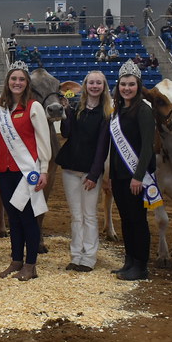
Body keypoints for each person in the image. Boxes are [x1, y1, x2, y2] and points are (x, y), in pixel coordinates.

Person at [0, 63, 51, 281]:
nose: (17, 83)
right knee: (12, 219)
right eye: (13, 79)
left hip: (26, 172)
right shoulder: (0, 111)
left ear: (27, 84)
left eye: (21, 79)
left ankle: (30, 264)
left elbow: (43, 140)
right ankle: (16, 260)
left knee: (28, 219)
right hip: (4, 171)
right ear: (7, 82)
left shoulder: (34, 107)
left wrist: (43, 169)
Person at [55, 70, 111, 272]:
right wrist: (66, 112)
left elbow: (102, 147)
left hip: (89, 171)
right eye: (91, 83)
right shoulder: (76, 107)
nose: (95, 86)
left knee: (89, 215)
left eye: (99, 83)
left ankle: (89, 258)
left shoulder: (107, 113)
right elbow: (66, 133)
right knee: (76, 215)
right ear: (85, 85)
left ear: (104, 87)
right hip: (70, 167)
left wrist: (95, 174)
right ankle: (75, 255)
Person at [107, 60, 158, 281]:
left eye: (131, 84)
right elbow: (114, 147)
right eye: (123, 84)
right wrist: (110, 176)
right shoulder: (118, 110)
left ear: (138, 86)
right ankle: (129, 261)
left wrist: (138, 177)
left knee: (138, 220)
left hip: (135, 177)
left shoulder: (144, 110)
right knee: (126, 219)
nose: (127, 88)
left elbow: (148, 146)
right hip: (119, 176)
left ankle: (141, 265)